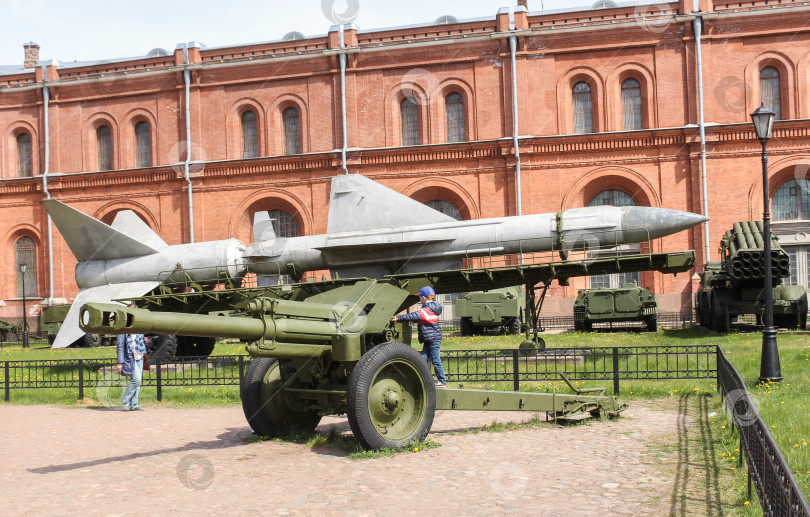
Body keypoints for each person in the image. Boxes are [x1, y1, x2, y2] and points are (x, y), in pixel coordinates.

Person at [392, 286, 446, 387]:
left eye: (420, 297)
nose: (419, 299)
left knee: (436, 360)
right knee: (422, 360)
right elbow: (420, 319)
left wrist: (398, 319)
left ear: (424, 298)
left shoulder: (425, 310)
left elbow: (412, 316)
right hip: (429, 339)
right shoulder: (432, 308)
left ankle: (442, 381)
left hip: (432, 339)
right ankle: (425, 380)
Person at [117, 332, 150, 411]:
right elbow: (120, 347)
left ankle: (134, 405)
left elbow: (140, 340)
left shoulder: (139, 328)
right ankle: (125, 400)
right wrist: (119, 362)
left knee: (138, 382)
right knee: (136, 379)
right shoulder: (123, 330)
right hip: (130, 357)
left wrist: (146, 339)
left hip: (140, 356)